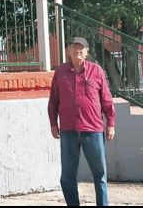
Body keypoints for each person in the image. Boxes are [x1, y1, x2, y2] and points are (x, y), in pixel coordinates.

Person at [48, 37, 116, 206]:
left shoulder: (96, 71)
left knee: (100, 174)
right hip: (68, 131)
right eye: (74, 47)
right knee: (67, 176)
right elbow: (54, 100)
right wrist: (53, 123)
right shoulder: (60, 72)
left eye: (81, 48)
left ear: (87, 52)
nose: (78, 50)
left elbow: (107, 100)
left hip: (93, 130)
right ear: (68, 51)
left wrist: (111, 123)